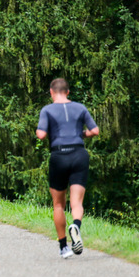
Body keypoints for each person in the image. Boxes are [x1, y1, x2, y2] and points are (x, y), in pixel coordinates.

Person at [36, 78, 99, 259]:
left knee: (58, 204)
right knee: (76, 202)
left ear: (51, 92)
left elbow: (41, 134)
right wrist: (80, 134)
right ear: (68, 92)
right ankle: (76, 225)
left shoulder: (47, 110)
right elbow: (95, 131)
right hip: (79, 154)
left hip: (59, 156)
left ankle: (64, 246)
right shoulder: (80, 108)